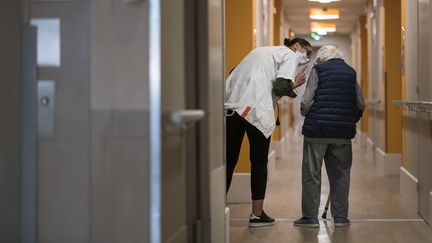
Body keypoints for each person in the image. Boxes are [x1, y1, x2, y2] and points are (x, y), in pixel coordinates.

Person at [225, 38, 312, 227]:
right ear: (296, 46)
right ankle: (257, 215)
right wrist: (294, 85)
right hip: (256, 112)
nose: (306, 58)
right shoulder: (289, 55)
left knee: (228, 161)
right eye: (307, 53)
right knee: (258, 162)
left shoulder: (258, 51)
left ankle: (217, 211)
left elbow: (233, 72)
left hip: (231, 110)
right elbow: (280, 87)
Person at [293, 45, 365, 228]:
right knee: (341, 175)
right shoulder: (350, 72)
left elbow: (306, 101)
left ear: (321, 58)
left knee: (311, 174)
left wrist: (305, 114)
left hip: (316, 132)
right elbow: (360, 103)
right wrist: (349, 120)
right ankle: (340, 217)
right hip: (342, 134)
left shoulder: (318, 70)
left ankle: (310, 218)